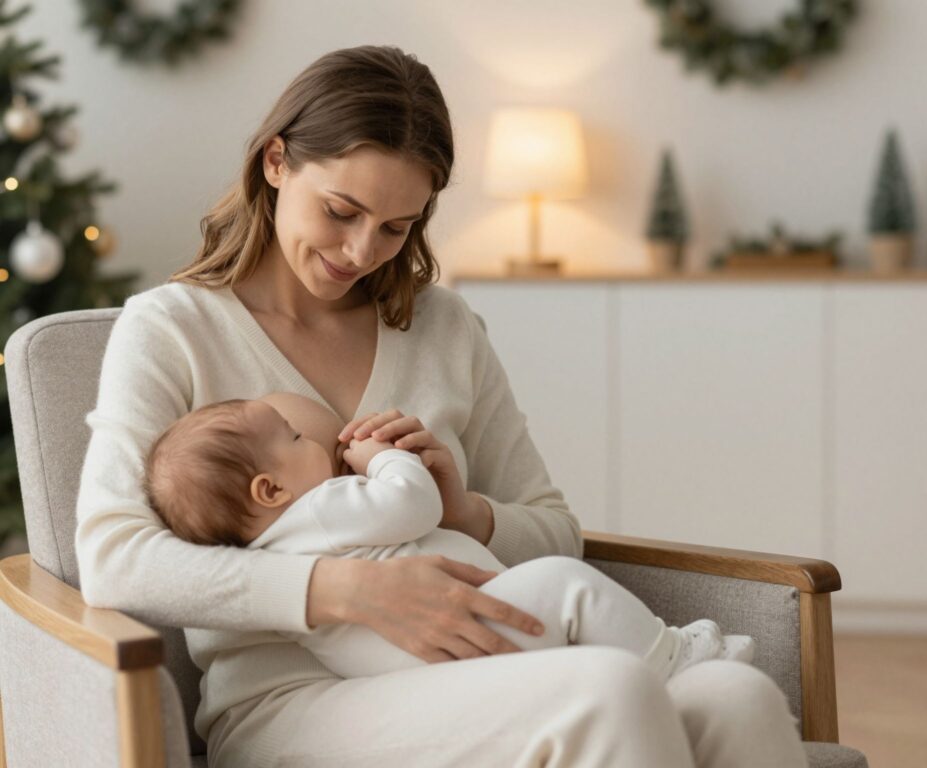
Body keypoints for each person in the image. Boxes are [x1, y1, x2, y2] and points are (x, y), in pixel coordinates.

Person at [75, 45, 809, 767]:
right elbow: (115, 560)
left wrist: (463, 512)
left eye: (396, 228)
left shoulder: (444, 329)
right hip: (290, 701)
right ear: (276, 163)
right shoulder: (173, 329)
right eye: (342, 211)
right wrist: (342, 589)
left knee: (733, 695)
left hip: (484, 663)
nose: (362, 251)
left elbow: (556, 531)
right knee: (607, 690)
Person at [142, 391, 756, 681]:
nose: (320, 447)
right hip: (456, 632)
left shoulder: (268, 552)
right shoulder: (324, 509)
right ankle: (678, 660)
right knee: (565, 586)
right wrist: (380, 458)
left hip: (412, 671)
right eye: (296, 440)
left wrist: (466, 509)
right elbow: (410, 504)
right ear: (270, 491)